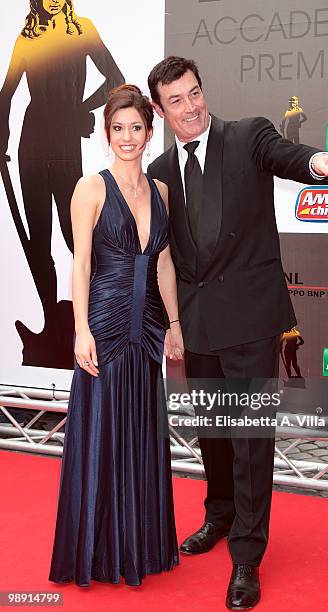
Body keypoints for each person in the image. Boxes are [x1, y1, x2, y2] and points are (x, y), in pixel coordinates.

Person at [147, 56, 328, 610]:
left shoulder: (247, 136)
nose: (191, 107)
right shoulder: (163, 171)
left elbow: (290, 157)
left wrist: (321, 163)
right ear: (160, 109)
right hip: (198, 324)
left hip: (250, 319)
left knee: (250, 439)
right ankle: (218, 518)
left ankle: (247, 554)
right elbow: (166, 253)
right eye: (177, 100)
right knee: (214, 433)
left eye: (195, 93)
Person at [48, 84, 184, 587]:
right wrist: (80, 328)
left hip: (147, 324)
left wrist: (173, 324)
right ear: (107, 134)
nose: (128, 137)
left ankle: (139, 545)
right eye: (118, 128)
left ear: (151, 133)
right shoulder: (92, 187)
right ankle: (98, 550)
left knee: (142, 428)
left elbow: (164, 263)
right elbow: (80, 263)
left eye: (137, 128)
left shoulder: (162, 191)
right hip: (103, 322)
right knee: (102, 428)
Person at [0, 0, 125, 368]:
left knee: (76, 238)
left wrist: (80, 109)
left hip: (66, 144)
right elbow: (6, 92)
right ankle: (49, 324)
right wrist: (1, 141)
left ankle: (87, 322)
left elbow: (115, 79)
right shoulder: (28, 35)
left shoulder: (82, 28)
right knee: (37, 238)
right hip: (32, 142)